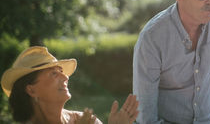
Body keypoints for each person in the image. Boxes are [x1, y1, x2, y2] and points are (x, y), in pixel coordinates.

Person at [1, 46, 139, 124]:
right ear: (31, 90)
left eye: (61, 71)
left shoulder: (84, 120)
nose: (65, 77)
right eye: (54, 74)